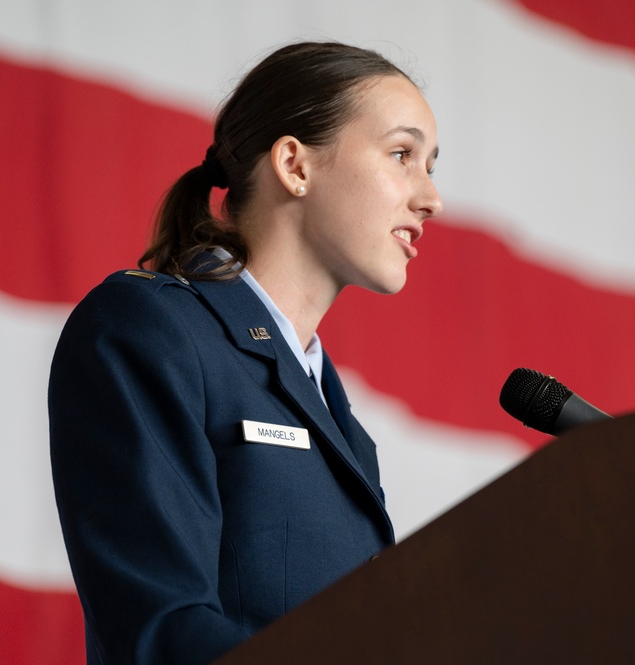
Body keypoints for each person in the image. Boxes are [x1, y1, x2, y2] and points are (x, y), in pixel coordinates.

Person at [48, 41, 442, 665]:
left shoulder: (335, 412)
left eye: (430, 165)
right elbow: (159, 629)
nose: (430, 198)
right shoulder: (150, 328)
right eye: (402, 155)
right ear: (295, 164)